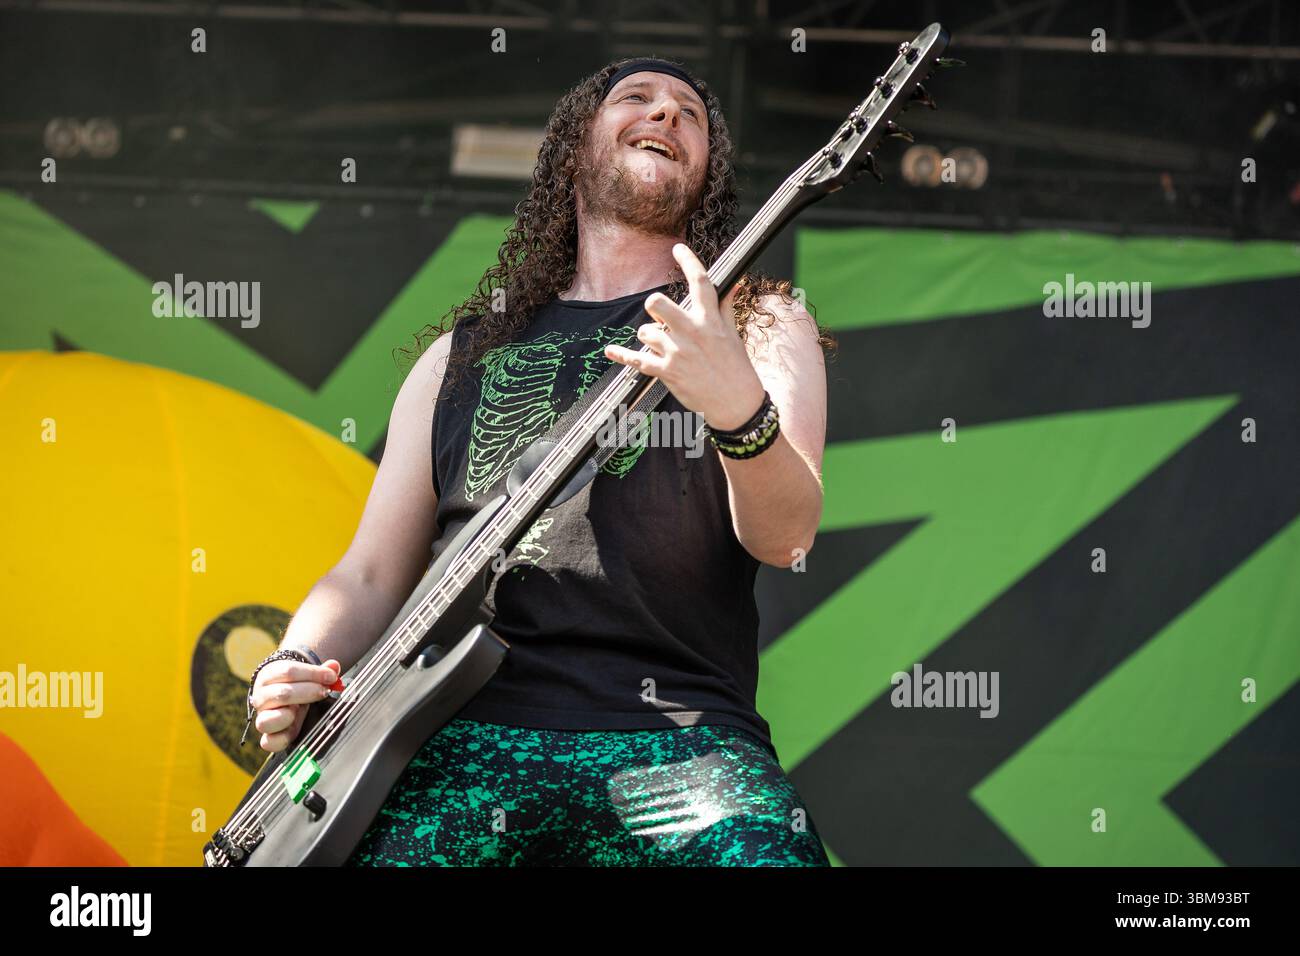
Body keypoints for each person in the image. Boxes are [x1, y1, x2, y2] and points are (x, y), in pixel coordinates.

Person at [246, 56, 834, 866]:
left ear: (708, 176)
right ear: (573, 151)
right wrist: (295, 662)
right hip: (455, 744)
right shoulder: (458, 357)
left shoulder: (760, 321)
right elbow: (370, 576)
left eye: (689, 114)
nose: (664, 114)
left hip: (684, 747)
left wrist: (737, 406)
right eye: (637, 98)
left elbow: (789, 536)